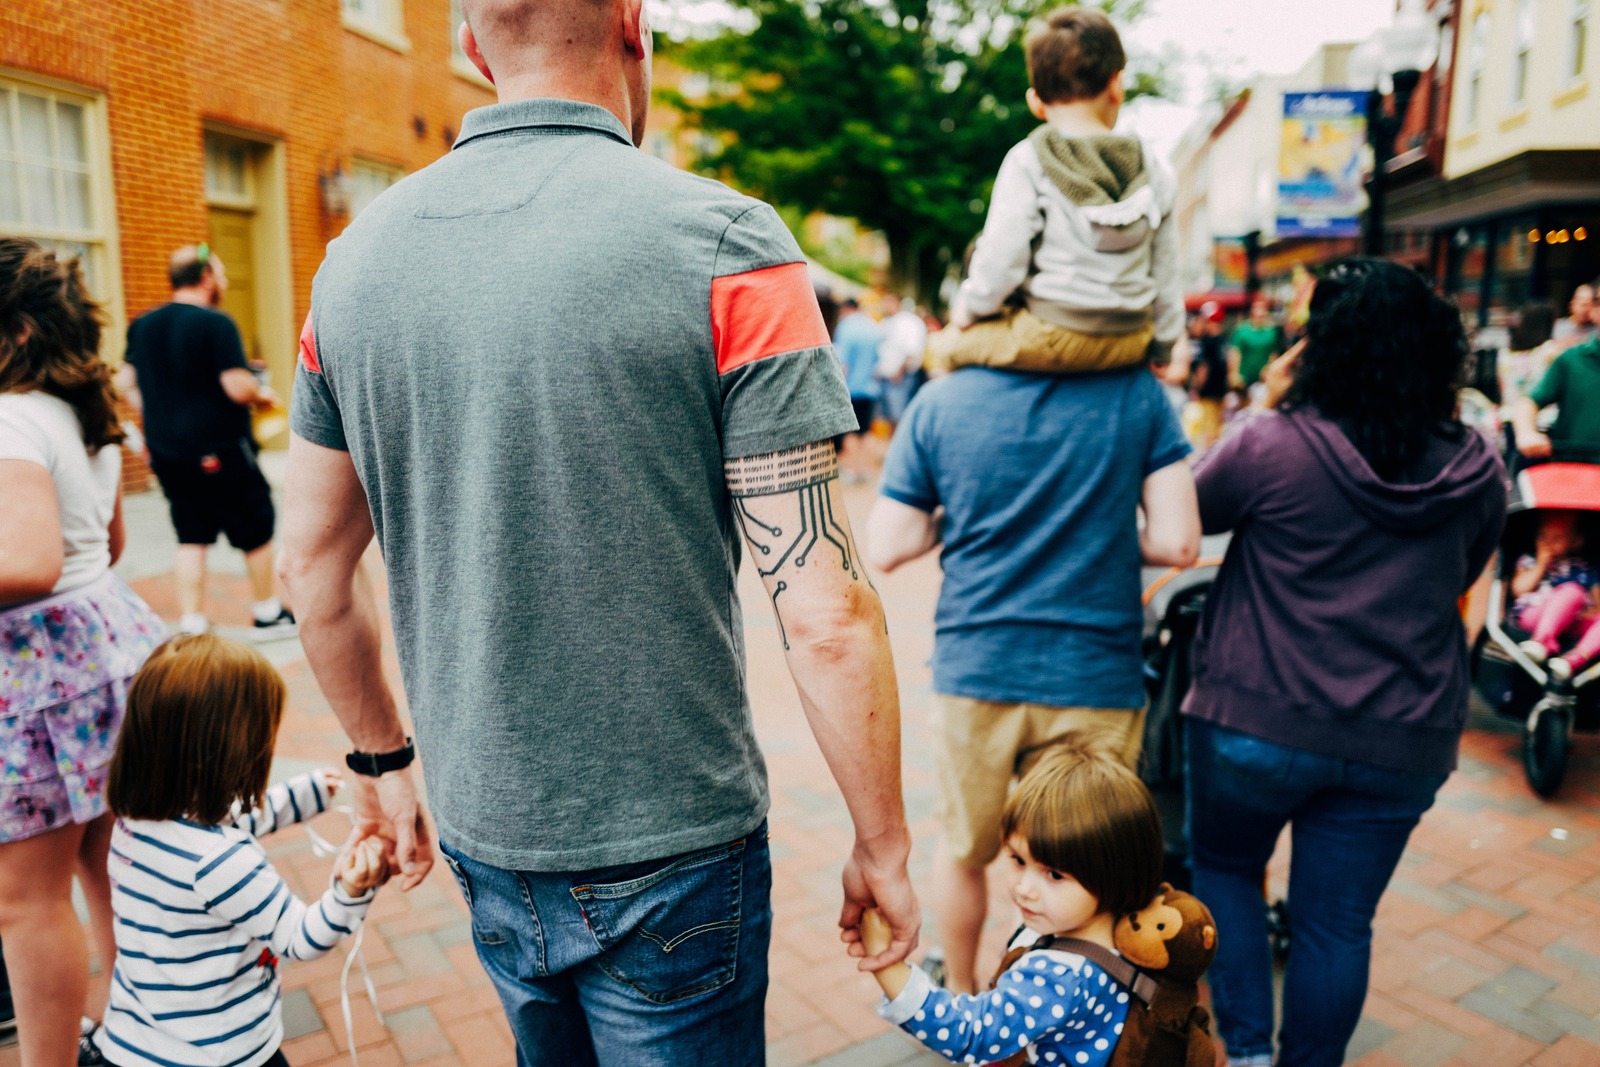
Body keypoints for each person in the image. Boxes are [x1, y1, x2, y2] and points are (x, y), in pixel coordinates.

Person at [277, 0, 920, 1061]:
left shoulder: (351, 266)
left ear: (475, 45)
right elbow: (824, 607)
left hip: (485, 821)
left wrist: (385, 759)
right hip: (676, 841)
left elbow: (310, 565)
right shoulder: (725, 242)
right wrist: (883, 841)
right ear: (633, 23)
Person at [1182, 258, 1506, 1067]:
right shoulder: (1477, 467)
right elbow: (1460, 578)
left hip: (1252, 719)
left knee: (1226, 869)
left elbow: (1186, 514)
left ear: (1317, 347)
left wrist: (1264, 402)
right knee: (1337, 923)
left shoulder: (1270, 444)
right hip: (1400, 733)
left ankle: (1248, 1051)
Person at [866, 332, 1199, 993]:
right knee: (1087, 859)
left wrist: (958, 520)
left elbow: (887, 542)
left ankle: (964, 997)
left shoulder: (942, 400)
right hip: (1096, 671)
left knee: (964, 849)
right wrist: (1103, 531)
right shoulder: (1138, 395)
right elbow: (1179, 540)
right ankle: (1083, 1006)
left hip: (978, 665)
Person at [0, 239, 166, 1067]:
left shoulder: (9, 416)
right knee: (108, 862)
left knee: (24, 902)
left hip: (36, 677)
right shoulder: (85, 410)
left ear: (17, 331)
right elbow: (108, 539)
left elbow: (28, 561)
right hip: (106, 646)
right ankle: (134, 1031)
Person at [90, 634, 388, 1067]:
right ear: (231, 751)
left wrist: (304, 796)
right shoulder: (223, 863)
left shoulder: (136, 821)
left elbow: (223, 819)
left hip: (137, 1042)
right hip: (226, 1054)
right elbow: (300, 938)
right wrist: (351, 890)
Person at [859, 736, 1164, 1065]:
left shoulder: (1055, 978)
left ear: (1114, 874)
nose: (1024, 888)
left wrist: (886, 964)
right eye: (1018, 860)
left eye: (1054, 875)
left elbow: (970, 1034)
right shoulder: (1137, 932)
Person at [926, 7, 1182, 380]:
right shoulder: (1155, 170)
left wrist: (968, 311)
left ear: (1035, 100)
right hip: (1132, 338)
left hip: (1054, 335)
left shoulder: (1028, 160)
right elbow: (1167, 268)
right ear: (1116, 84)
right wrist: (1164, 343)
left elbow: (1002, 260)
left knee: (942, 348)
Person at [117, 245, 296, 639]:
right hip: (221, 450)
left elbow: (126, 382)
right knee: (256, 527)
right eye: (221, 273)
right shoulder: (216, 325)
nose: (227, 282)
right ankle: (267, 612)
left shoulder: (142, 325)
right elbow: (236, 387)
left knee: (190, 534)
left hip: (167, 454)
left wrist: (156, 422)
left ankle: (192, 622)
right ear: (205, 278)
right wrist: (261, 394)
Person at [1514, 284, 1600, 461]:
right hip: (1572, 475)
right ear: (1594, 310)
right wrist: (1527, 433)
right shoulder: (1571, 360)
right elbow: (1528, 402)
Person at [1512, 511, 1600, 681]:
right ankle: (1542, 641)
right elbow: (1519, 590)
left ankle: (1575, 658)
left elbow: (1598, 604)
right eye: (1543, 536)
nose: (1548, 543)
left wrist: (1591, 612)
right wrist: (1540, 565)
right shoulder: (1530, 561)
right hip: (1535, 613)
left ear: (1575, 541)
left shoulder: (1585, 569)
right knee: (1571, 591)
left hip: (1573, 621)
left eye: (1557, 538)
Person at [834, 297, 884, 476]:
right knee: (866, 433)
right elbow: (879, 362)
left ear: (846, 309)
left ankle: (850, 470)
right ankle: (865, 470)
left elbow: (843, 364)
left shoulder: (846, 327)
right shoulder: (872, 327)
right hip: (870, 389)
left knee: (849, 433)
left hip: (851, 389)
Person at [875, 294, 929, 429]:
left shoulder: (909, 322)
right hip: (888, 377)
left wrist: (899, 371)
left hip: (901, 378)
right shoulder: (888, 322)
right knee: (889, 418)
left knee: (899, 416)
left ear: (896, 302)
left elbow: (912, 351)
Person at [1182, 302, 1228, 450]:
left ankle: (1212, 458)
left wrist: (1196, 388)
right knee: (1217, 426)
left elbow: (1203, 368)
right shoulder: (1223, 339)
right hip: (1221, 390)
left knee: (1209, 429)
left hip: (1207, 392)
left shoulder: (1206, 341)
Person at [1226, 295, 1283, 397]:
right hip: (1244, 376)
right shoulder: (1242, 330)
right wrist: (1233, 373)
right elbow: (1235, 352)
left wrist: (1269, 369)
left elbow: (1274, 352)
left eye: (1263, 308)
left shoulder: (1272, 331)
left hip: (1262, 377)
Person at [1552, 282, 1595, 347]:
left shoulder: (1597, 331)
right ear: (1572, 304)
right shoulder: (1558, 326)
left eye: (1590, 306)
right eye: (1583, 305)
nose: (1585, 310)